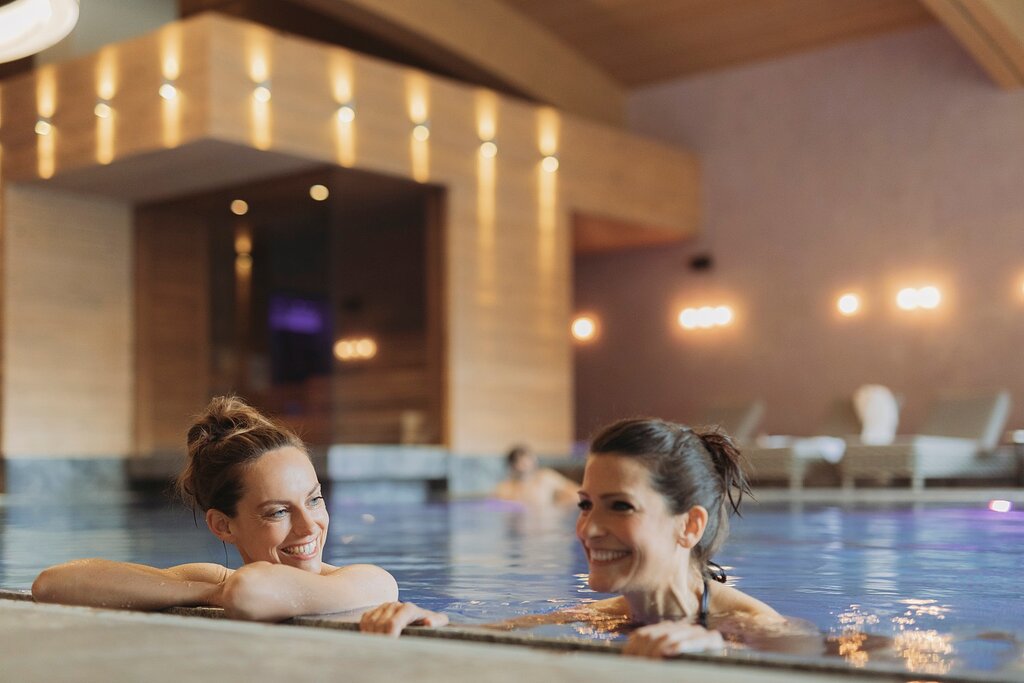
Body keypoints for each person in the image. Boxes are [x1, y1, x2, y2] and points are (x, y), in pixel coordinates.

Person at [362, 417, 793, 658]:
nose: (588, 529)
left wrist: (722, 654)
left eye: (620, 506)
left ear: (690, 526)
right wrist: (426, 621)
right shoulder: (600, 615)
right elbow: (492, 633)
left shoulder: (750, 624)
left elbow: (820, 655)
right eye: (586, 504)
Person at [31, 396, 398, 621]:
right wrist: (204, 592)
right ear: (223, 525)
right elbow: (52, 584)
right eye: (278, 512)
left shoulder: (368, 580)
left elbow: (249, 594)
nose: (309, 526)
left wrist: (212, 590)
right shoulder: (215, 582)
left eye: (314, 500)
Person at [493, 444, 579, 506]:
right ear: (512, 466)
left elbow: (576, 494)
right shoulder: (506, 487)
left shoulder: (545, 477)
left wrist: (559, 504)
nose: (524, 465)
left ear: (533, 460)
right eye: (519, 462)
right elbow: (494, 503)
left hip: (543, 518)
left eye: (526, 460)